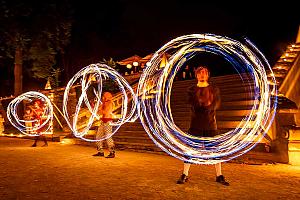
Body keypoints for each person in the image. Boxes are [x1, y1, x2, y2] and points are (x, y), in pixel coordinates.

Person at [176, 66, 229, 186]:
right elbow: (191, 103)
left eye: (204, 72)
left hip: (210, 124)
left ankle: (219, 175)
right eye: (200, 73)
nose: (202, 74)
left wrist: (208, 106)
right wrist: (202, 103)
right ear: (196, 75)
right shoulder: (191, 89)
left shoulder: (214, 89)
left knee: (215, 151)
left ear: (208, 75)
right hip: (195, 124)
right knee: (189, 150)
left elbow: (216, 103)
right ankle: (185, 174)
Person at [93, 92, 116, 158]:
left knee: (108, 137)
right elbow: (98, 112)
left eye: (105, 96)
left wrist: (100, 110)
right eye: (104, 96)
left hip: (108, 122)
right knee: (98, 137)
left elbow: (106, 112)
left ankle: (112, 152)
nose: (103, 97)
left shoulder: (110, 103)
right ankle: (100, 152)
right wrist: (99, 109)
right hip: (103, 122)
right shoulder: (103, 103)